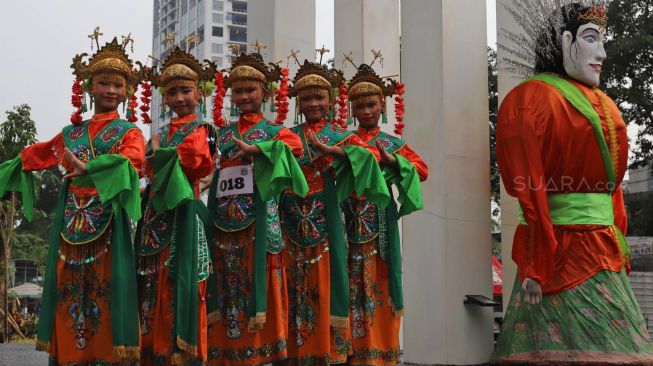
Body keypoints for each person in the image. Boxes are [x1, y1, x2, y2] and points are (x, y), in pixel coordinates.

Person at [492, 2, 653, 364]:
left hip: (602, 249)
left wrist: (619, 243)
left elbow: (612, 192)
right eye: (591, 39)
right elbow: (531, 189)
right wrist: (537, 265)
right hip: (559, 252)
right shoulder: (530, 99)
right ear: (565, 42)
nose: (602, 53)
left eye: (603, 41)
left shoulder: (605, 104)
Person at [0, 35, 145, 364]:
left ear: (127, 92)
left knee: (105, 290)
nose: (111, 90)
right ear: (89, 88)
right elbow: (35, 155)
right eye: (103, 83)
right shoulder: (71, 134)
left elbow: (132, 162)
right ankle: (70, 356)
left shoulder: (129, 133)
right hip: (70, 226)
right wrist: (10, 169)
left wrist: (89, 167)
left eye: (118, 85)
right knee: (68, 291)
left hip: (108, 225)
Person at [280, 58, 390, 365]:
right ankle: (296, 350)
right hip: (291, 223)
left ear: (331, 99)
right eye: (307, 98)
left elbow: (368, 155)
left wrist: (334, 152)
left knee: (327, 281)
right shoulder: (288, 135)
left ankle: (330, 351)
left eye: (319, 97)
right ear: (298, 102)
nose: (313, 103)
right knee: (295, 283)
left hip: (329, 223)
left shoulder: (342, 134)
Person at [205, 46, 308, 366]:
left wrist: (258, 150)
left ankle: (265, 351)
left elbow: (296, 150)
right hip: (224, 220)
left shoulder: (277, 131)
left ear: (264, 92)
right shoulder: (222, 133)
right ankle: (227, 350)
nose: (244, 96)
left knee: (261, 277)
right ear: (230, 95)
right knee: (227, 280)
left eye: (250, 89)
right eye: (238, 91)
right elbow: (211, 165)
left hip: (260, 219)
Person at [135, 46, 217, 364]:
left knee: (182, 283)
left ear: (199, 93)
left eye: (185, 90)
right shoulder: (160, 134)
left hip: (184, 215)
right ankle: (154, 352)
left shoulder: (203, 130)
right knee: (152, 283)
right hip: (155, 219)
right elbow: (143, 169)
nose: (180, 98)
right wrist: (151, 157)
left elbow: (197, 161)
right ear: (164, 98)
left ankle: (183, 354)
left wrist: (155, 155)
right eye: (172, 92)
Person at [343, 62, 428, 366]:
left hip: (380, 228)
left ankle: (381, 354)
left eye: (371, 105)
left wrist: (393, 161)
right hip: (347, 227)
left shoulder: (393, 144)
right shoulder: (345, 141)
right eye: (360, 106)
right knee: (350, 286)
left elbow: (421, 170)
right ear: (352, 109)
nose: (366, 111)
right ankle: (351, 352)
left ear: (382, 105)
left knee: (380, 286)